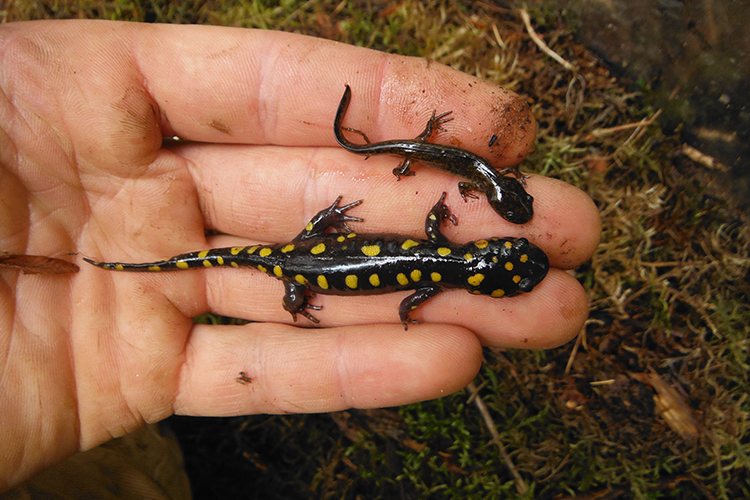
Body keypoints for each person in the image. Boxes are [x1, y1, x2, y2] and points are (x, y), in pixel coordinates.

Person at [0, 20, 601, 493]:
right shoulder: (436, 278)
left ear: (488, 260)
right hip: (295, 257)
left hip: (301, 255)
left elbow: (427, 237)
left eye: (509, 259)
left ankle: (204, 267)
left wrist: (317, 277)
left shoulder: (438, 258)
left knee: (280, 259)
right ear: (485, 263)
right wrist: (393, 303)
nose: (507, 249)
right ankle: (163, 268)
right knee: (257, 260)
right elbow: (417, 280)